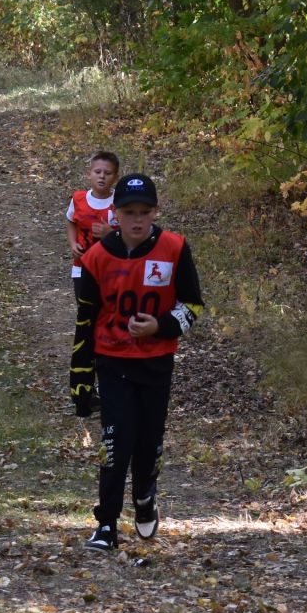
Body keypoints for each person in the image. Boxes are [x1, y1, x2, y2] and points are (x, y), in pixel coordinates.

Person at [77, 174, 203, 551]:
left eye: (144, 212)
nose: (137, 220)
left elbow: (193, 305)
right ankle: (106, 524)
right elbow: (85, 320)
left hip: (155, 364)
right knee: (115, 445)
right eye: (129, 212)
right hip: (112, 362)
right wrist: (80, 378)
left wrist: (161, 326)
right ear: (115, 213)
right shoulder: (95, 258)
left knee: (147, 447)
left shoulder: (175, 248)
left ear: (155, 212)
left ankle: (145, 498)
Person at [65, 150, 120, 417]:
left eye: (107, 173)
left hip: (111, 275)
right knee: (88, 326)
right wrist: (73, 244)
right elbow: (70, 222)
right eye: (97, 172)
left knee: (106, 327)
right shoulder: (78, 199)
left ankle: (107, 384)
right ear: (89, 173)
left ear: (115, 177)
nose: (101, 177)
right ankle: (85, 391)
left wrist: (112, 233)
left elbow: (133, 234)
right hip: (82, 272)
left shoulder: (118, 203)